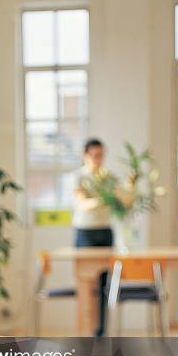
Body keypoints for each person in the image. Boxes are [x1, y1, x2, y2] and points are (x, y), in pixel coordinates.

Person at [73, 138, 113, 337]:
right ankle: (85, 333)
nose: (98, 159)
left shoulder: (108, 177)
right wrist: (105, 198)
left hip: (105, 231)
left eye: (101, 155)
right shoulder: (79, 177)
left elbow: (122, 199)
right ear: (85, 155)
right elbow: (82, 203)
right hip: (85, 233)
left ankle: (101, 333)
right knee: (86, 286)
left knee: (106, 287)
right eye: (94, 155)